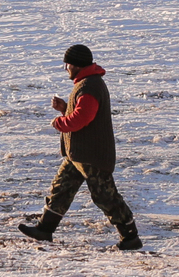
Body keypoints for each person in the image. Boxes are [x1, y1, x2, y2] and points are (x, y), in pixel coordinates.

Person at [17, 43, 141, 250]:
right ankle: (44, 229)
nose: (65, 68)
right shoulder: (87, 83)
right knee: (61, 187)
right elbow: (82, 113)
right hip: (79, 154)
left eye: (67, 64)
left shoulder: (90, 86)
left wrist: (60, 122)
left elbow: (82, 118)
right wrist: (66, 108)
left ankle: (130, 237)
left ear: (75, 65)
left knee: (105, 196)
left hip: (92, 154)